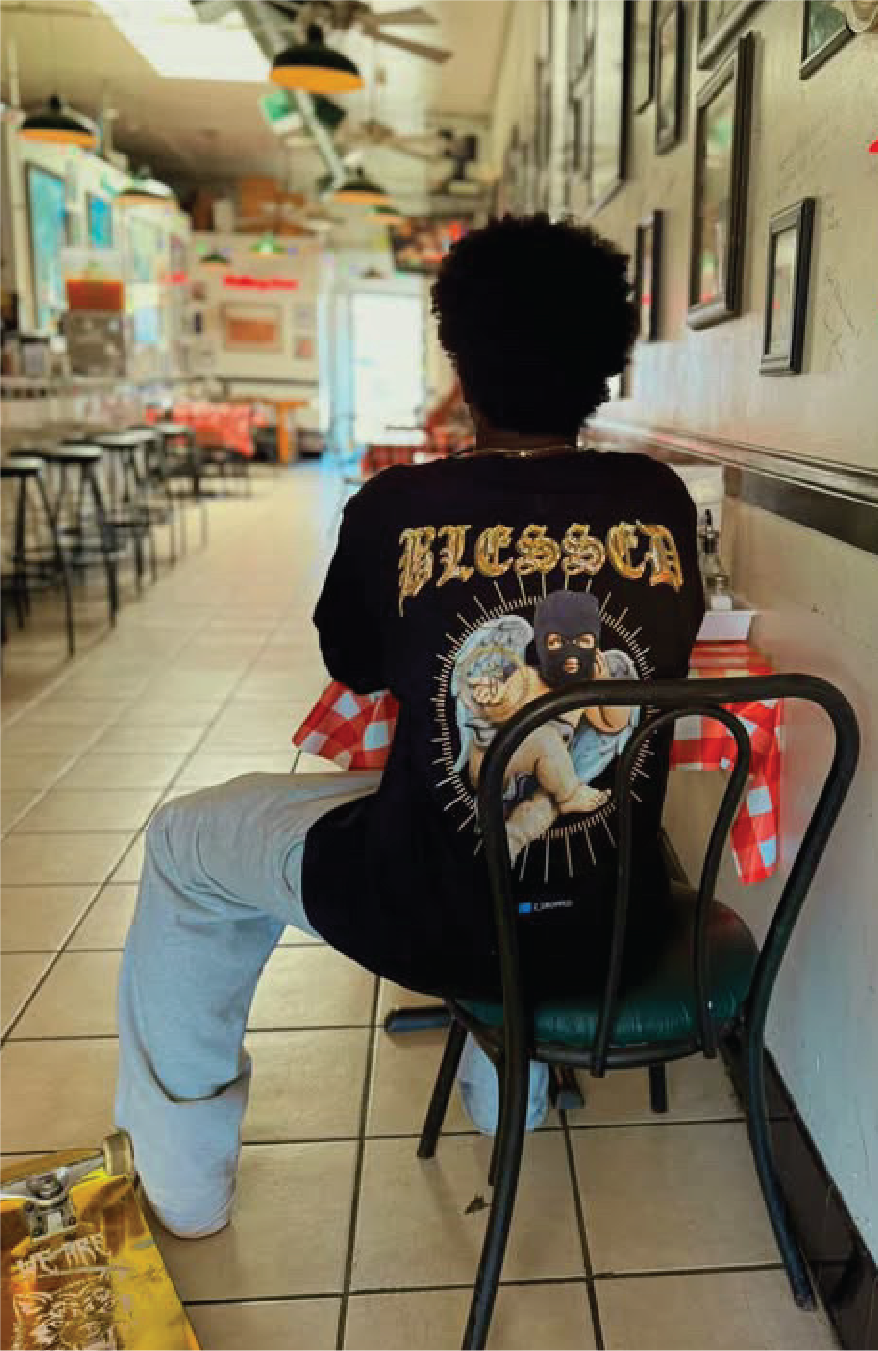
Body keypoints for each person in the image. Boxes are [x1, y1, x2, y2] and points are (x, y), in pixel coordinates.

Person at [115, 215, 705, 1240]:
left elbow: (351, 663)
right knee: (494, 834)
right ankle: (501, 1090)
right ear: (607, 365)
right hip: (617, 921)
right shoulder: (656, 497)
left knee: (184, 844)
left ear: (459, 364)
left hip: (428, 912)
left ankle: (183, 1189)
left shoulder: (399, 504)